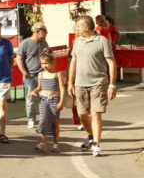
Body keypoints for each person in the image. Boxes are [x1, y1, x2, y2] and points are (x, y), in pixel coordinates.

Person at [69, 15, 116, 157]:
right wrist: (70, 82)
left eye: (79, 26)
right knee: (82, 115)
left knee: (95, 114)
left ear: (87, 27)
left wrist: (112, 85)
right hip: (80, 84)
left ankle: (96, 144)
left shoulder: (102, 41)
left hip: (98, 83)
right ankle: (90, 136)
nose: (77, 28)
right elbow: (73, 62)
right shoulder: (77, 42)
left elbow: (111, 63)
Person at [28, 52, 66, 152]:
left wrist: (61, 101)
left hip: (55, 99)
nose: (44, 66)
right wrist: (33, 92)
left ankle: (55, 144)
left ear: (53, 63)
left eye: (46, 63)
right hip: (44, 99)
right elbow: (39, 87)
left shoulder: (58, 74)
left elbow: (62, 89)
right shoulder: (40, 74)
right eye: (42, 63)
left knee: (55, 122)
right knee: (43, 120)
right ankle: (42, 143)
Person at [16, 22, 50, 129]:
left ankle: (45, 119)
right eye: (44, 31)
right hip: (30, 75)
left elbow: (47, 56)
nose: (46, 33)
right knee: (30, 98)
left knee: (45, 97)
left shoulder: (44, 43)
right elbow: (19, 59)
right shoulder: (25, 43)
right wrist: (24, 72)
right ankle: (31, 119)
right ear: (37, 31)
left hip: (42, 75)